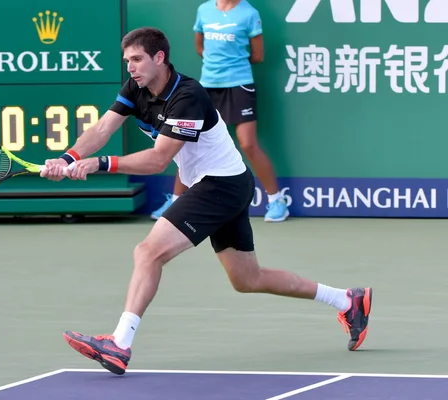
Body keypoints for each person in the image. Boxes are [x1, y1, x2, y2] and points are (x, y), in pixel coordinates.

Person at [40, 27, 372, 376]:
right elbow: (102, 129)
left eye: (137, 60)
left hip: (221, 186)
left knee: (147, 252)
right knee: (247, 279)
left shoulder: (188, 96)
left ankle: (120, 344)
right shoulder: (135, 89)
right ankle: (347, 300)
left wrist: (98, 164)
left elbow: (158, 160)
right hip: (221, 185)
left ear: (159, 58)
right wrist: (68, 157)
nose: (131, 68)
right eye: (127, 62)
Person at [151, 0, 289, 223]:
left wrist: (232, 64)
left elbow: (258, 55)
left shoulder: (249, 14)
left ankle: (276, 201)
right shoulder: (204, 10)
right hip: (208, 87)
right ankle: (176, 201)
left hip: (240, 85)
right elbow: (200, 47)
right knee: (189, 144)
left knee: (247, 143)